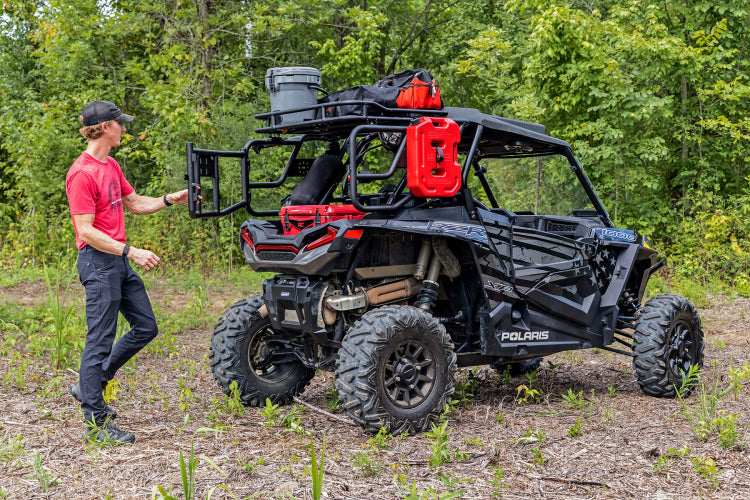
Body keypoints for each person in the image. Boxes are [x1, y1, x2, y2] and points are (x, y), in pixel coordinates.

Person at [66, 100, 191, 444]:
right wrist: (130, 251)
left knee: (146, 326)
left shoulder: (111, 166)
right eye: (120, 123)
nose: (125, 128)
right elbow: (86, 231)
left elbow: (135, 204)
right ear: (105, 127)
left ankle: (89, 384)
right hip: (99, 261)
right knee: (99, 340)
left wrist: (169, 200)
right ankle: (96, 424)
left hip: (117, 261)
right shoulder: (82, 173)